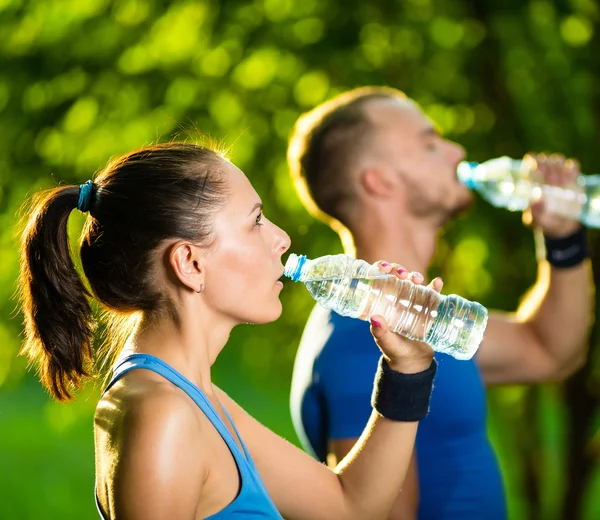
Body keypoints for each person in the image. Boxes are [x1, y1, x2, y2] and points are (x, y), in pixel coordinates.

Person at [17, 141, 448, 519]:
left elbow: (351, 507)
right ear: (190, 263)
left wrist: (406, 367)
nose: (281, 238)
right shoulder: (162, 415)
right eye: (256, 221)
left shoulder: (194, 398)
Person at [287, 87, 594, 520]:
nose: (456, 151)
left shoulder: (421, 320)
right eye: (430, 144)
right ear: (380, 180)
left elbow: (550, 352)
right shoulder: (368, 335)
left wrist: (563, 239)